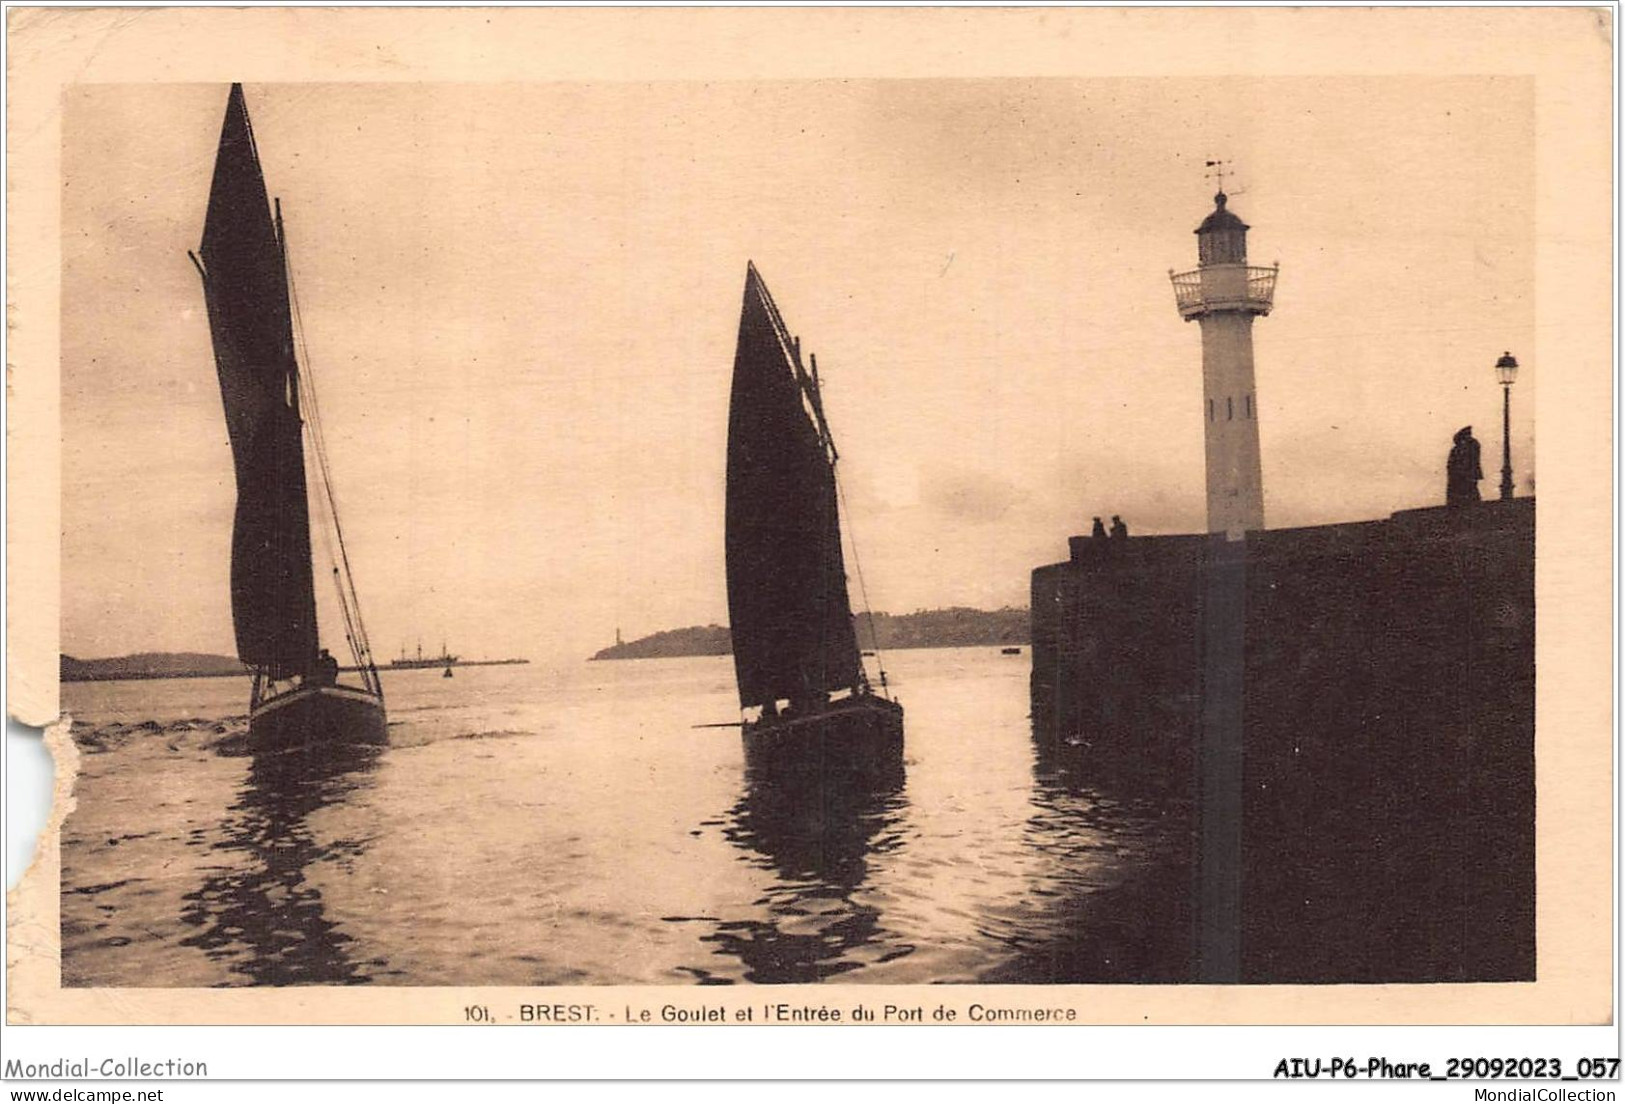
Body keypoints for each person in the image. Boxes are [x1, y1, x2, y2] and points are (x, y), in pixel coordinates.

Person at [1446, 425, 1482, 507]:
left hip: (1464, 474)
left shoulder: (1468, 447)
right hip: (1463, 475)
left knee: (1468, 491)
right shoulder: (1459, 449)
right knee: (1469, 491)